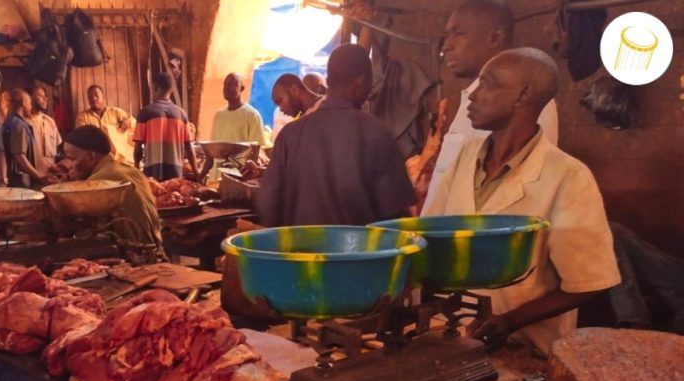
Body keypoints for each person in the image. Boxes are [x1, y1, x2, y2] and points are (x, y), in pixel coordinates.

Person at [423, 48, 619, 355]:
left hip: (525, 351)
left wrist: (511, 321)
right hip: (453, 337)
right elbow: (430, 235)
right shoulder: (466, 156)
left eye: (488, 84)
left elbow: (591, 281)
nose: (473, 95)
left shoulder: (568, 176)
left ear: (523, 95)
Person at [258, 45, 415, 227]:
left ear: (330, 80)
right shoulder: (377, 134)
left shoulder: (289, 135)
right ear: (361, 81)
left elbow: (268, 203)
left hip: (300, 245)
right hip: (361, 245)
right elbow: (396, 215)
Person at [425, 0, 559, 211]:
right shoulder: (473, 96)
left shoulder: (529, 103)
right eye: (447, 35)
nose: (446, 45)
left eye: (458, 34)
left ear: (495, 38)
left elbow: (523, 191)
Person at [62, 125, 163, 256]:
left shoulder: (97, 182)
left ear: (91, 156)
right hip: (158, 252)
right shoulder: (131, 170)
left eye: (73, 159)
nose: (70, 165)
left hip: (133, 258)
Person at [202, 73, 269, 181]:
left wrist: (246, 176)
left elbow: (255, 152)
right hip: (215, 178)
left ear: (241, 88)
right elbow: (211, 154)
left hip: (237, 178)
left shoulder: (252, 115)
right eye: (225, 84)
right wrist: (201, 175)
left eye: (232, 84)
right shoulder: (218, 116)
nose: (226, 88)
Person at [133, 72, 198, 182]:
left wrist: (136, 166)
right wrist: (196, 172)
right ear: (171, 90)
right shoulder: (181, 114)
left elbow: (137, 149)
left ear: (155, 87)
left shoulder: (145, 113)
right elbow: (189, 149)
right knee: (174, 194)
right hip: (176, 174)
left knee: (154, 193)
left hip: (152, 174)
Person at [75, 84, 135, 162]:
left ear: (103, 97)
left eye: (96, 95)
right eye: (90, 97)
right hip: (96, 158)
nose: (93, 98)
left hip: (118, 157)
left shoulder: (115, 112)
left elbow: (133, 122)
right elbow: (81, 136)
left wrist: (128, 122)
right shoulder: (82, 116)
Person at [2, 88, 43, 188]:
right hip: (20, 183)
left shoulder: (9, 121)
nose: (31, 106)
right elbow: (19, 157)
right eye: (29, 103)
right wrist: (39, 176)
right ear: (24, 103)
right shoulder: (18, 125)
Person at [29, 85, 60, 176]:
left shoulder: (50, 121)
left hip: (51, 174)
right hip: (32, 175)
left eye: (45, 96)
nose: (45, 99)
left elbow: (57, 148)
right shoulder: (24, 122)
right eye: (41, 95)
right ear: (30, 98)